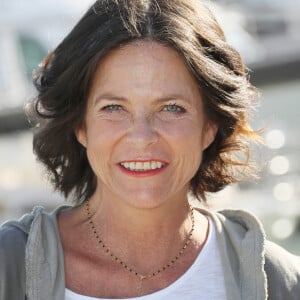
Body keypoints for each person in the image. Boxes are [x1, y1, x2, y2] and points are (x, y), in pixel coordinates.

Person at [0, 0, 299, 299]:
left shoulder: (282, 283)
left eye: (171, 108)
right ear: (80, 124)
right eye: (114, 107)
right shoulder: (9, 267)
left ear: (209, 125)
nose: (142, 137)